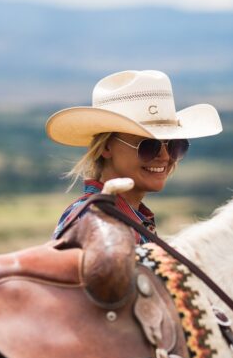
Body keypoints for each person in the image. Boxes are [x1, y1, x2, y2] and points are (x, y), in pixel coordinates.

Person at [45, 70, 222, 243]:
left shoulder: (117, 217)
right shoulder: (99, 223)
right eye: (148, 146)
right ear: (107, 147)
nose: (165, 156)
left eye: (174, 145)